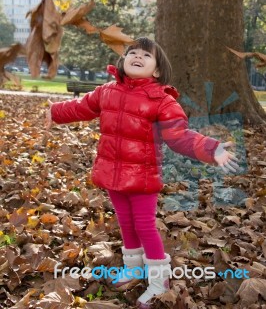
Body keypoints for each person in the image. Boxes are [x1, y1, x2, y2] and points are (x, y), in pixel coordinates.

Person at [46, 37, 239, 308]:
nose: (138, 56)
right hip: (113, 172)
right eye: (132, 53)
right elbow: (81, 107)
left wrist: (212, 148)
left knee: (144, 225)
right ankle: (134, 268)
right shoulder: (107, 91)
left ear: (157, 70)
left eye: (146, 56)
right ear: (123, 61)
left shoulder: (161, 100)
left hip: (142, 177)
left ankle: (160, 281)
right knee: (125, 222)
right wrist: (55, 112)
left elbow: (179, 135)